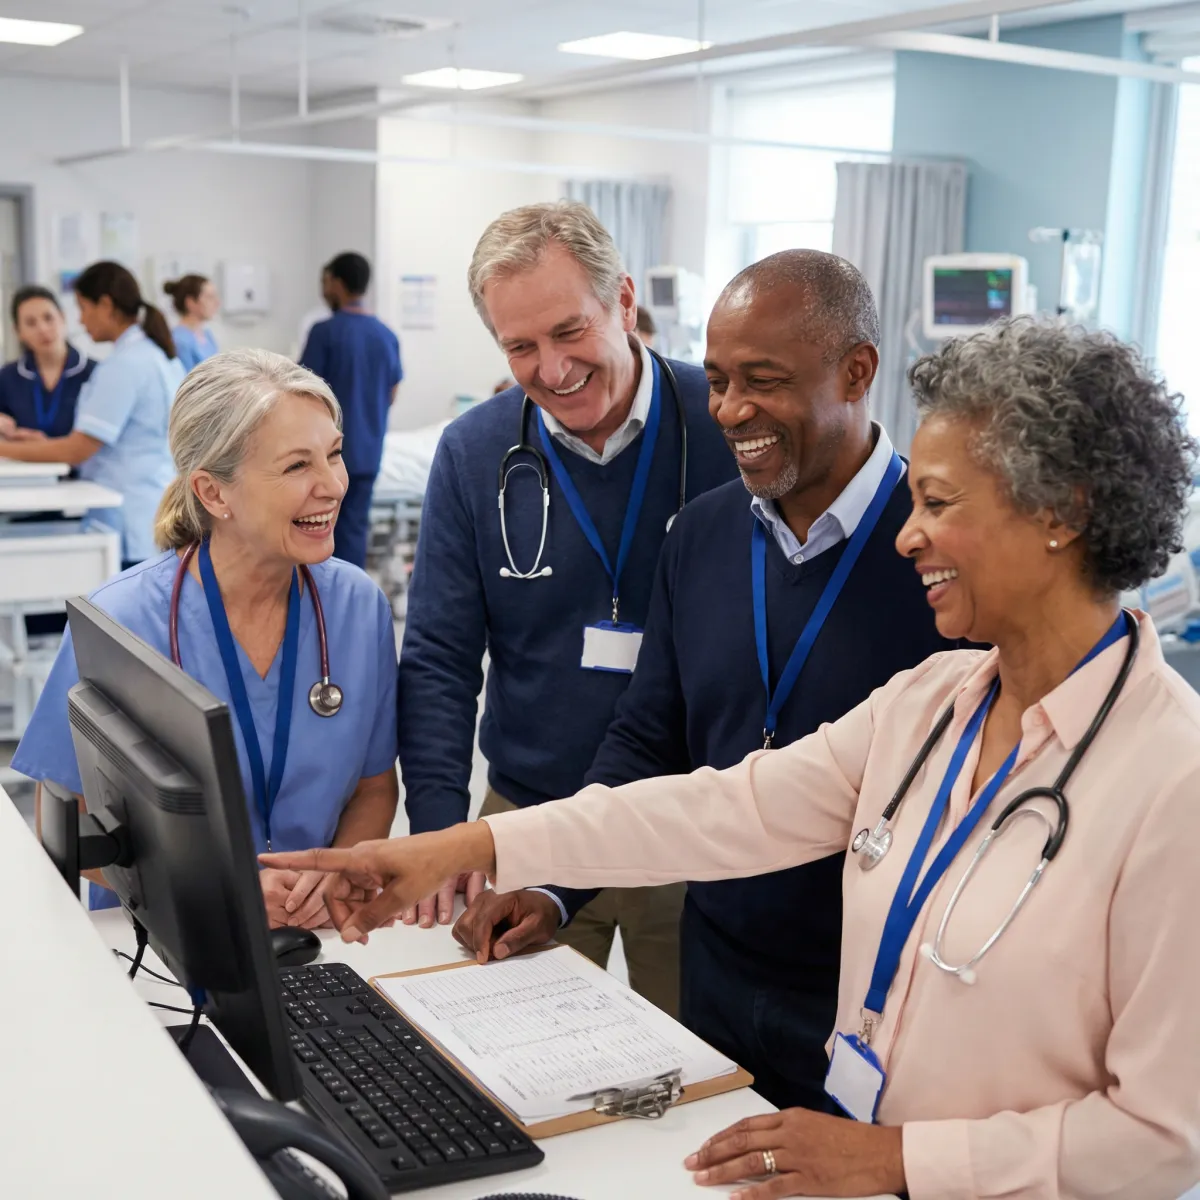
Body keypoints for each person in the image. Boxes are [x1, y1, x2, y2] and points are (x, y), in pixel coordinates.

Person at [268, 318, 1200, 1200]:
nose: (909, 534)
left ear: (1062, 513)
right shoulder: (933, 704)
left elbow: (1163, 1140)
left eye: (940, 503)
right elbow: (715, 811)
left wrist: (899, 1158)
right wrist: (458, 849)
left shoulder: (1171, 781)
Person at [450, 251, 960, 1111]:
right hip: (715, 968)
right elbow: (649, 736)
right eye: (718, 380)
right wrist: (555, 884)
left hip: (869, 995)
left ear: (857, 371)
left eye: (764, 381)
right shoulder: (703, 535)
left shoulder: (936, 556)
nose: (730, 410)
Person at [394, 201, 738, 1016]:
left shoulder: (723, 428)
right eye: (521, 347)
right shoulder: (477, 453)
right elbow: (440, 656)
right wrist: (444, 833)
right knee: (514, 1065)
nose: (551, 369)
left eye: (568, 331)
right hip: (528, 819)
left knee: (696, 1076)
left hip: (686, 822)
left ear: (622, 301)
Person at [14, 349, 399, 924]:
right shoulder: (121, 620)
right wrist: (222, 891)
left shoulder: (355, 607)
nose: (332, 485)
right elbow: (64, 822)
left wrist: (337, 869)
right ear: (215, 494)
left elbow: (374, 788)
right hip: (168, 936)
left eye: (335, 454)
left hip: (316, 931)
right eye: (297, 466)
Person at [0, 261, 183, 568]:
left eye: (83, 309)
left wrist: (4, 448)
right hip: (150, 511)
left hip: (128, 517)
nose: (82, 322)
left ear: (105, 305)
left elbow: (77, 449)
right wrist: (38, 442)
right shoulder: (154, 355)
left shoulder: (122, 366)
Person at [300, 252, 402, 569]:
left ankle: (319, 605)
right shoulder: (386, 335)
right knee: (354, 531)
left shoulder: (325, 333)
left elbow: (299, 394)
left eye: (325, 282)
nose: (323, 290)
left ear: (337, 283)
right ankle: (347, 605)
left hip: (324, 457)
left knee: (315, 527)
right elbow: (392, 392)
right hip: (368, 453)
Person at [0, 285, 95, 441]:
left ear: (62, 318)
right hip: (25, 464)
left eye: (48, 318)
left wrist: (45, 446)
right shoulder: (7, 377)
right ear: (18, 332)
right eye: (31, 323)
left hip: (79, 464)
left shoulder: (94, 373)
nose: (43, 329)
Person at [165, 274, 220, 371]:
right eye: (209, 297)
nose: (217, 303)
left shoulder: (207, 335)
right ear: (190, 302)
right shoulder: (179, 341)